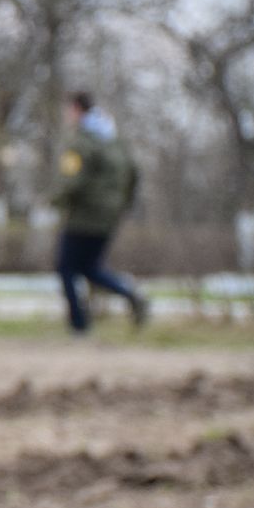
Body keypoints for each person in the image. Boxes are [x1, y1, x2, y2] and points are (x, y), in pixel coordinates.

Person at [53, 91, 147, 334]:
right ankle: (130, 293)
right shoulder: (112, 138)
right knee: (89, 268)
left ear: (76, 109)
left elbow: (72, 181)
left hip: (84, 216)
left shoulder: (81, 141)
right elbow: (134, 172)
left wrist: (53, 200)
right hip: (109, 217)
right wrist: (121, 206)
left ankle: (79, 324)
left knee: (66, 267)